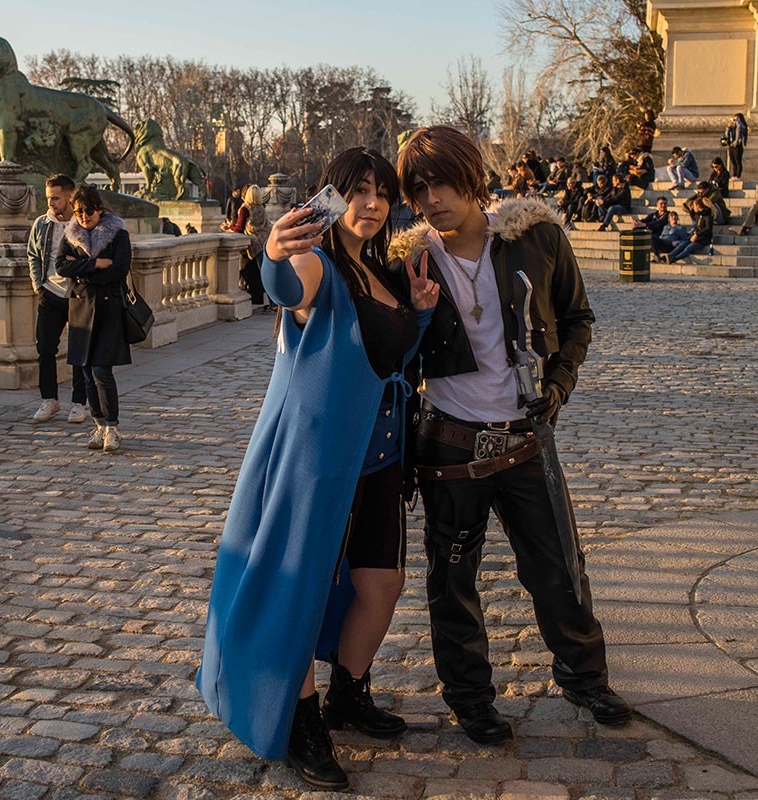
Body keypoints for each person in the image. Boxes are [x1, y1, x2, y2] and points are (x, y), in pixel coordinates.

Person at [197, 146, 439, 791]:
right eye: (357, 191)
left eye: (382, 193)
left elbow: (389, 358)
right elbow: (285, 288)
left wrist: (417, 311)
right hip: (316, 455)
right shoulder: (321, 266)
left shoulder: (383, 270)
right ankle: (302, 723)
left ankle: (348, 696)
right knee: (300, 588)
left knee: (381, 585)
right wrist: (273, 253)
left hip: (381, 454)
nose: (372, 203)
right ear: (332, 199)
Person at [393, 125, 631, 746]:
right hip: (449, 443)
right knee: (452, 579)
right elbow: (386, 346)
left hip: (526, 435)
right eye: (418, 187)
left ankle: (585, 678)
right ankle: (470, 698)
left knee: (557, 567)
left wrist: (556, 389)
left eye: (442, 181)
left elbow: (577, 317)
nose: (432, 198)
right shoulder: (409, 260)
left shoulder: (537, 238)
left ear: (470, 175)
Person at [55, 185, 133, 454]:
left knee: (102, 370)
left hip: (108, 311)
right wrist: (95, 264)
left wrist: (81, 273)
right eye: (78, 211)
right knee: (86, 372)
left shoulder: (118, 235)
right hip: (80, 312)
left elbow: (119, 270)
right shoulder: (71, 234)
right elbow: (60, 266)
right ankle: (98, 425)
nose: (84, 216)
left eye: (89, 210)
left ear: (99, 209)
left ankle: (112, 427)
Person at [27, 174, 89, 425]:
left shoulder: (83, 223)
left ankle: (79, 403)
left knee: (79, 352)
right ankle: (49, 399)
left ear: (69, 197)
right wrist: (38, 286)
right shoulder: (41, 224)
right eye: (48, 198)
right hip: (49, 294)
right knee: (45, 349)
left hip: (76, 295)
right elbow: (32, 254)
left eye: (55, 197)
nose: (50, 202)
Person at [233, 185, 273, 311]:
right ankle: (274, 302)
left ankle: (274, 303)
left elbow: (239, 228)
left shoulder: (245, 209)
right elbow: (268, 224)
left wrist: (228, 228)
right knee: (268, 272)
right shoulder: (261, 208)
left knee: (263, 274)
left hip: (256, 244)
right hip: (266, 241)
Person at [664, 196, 714, 263]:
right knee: (682, 244)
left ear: (698, 206)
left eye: (694, 206)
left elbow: (708, 229)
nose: (693, 208)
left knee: (688, 248)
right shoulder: (699, 215)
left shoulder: (708, 216)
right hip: (694, 237)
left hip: (702, 239)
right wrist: (690, 210)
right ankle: (669, 256)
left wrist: (697, 234)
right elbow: (694, 218)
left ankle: (674, 259)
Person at [724, 113, 748, 179]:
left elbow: (740, 128)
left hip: (738, 145)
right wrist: (728, 127)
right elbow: (726, 135)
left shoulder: (741, 126)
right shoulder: (733, 127)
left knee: (738, 161)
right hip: (731, 145)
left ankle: (738, 176)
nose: (734, 120)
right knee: (733, 161)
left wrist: (737, 122)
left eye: (736, 118)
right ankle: (734, 175)